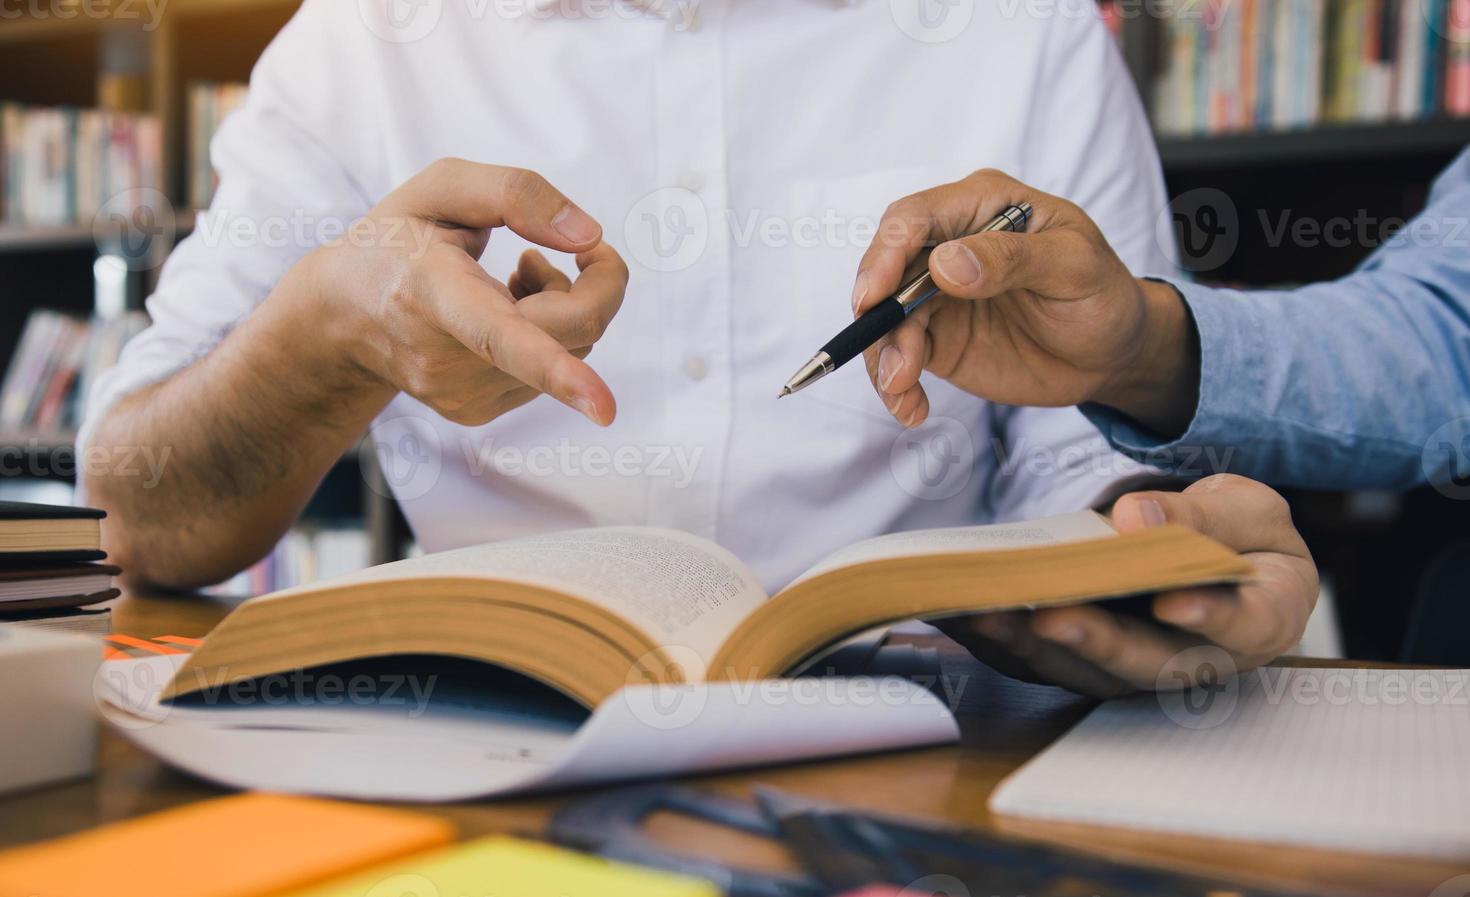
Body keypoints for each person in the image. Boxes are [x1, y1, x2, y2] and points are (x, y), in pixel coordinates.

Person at [79, 0, 1311, 696]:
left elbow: (1079, 454)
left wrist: (1134, 538)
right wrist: (327, 343)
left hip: (923, 749)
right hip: (476, 741)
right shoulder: (354, 50)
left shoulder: (1023, 33)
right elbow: (134, 519)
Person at [849, 152, 1470, 691]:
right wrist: (1142, 351)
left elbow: (1079, 458)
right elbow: (1444, 330)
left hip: (961, 699)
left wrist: (1144, 553)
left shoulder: (1038, 25)